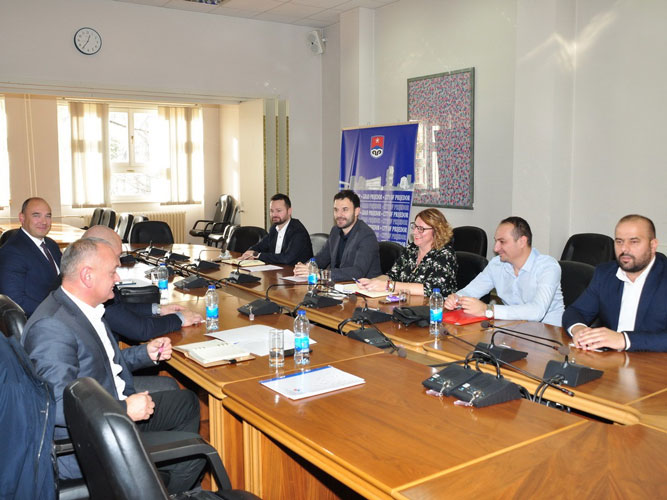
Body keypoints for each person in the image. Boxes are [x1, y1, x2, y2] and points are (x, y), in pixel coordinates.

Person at [22, 238, 204, 493]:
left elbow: (102, 361)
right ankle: (152, 492)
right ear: (87, 276)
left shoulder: (84, 308)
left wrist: (145, 354)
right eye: (112, 272)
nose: (117, 279)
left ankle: (162, 485)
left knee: (187, 403)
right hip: (91, 443)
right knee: (197, 451)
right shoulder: (52, 327)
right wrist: (124, 409)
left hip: (108, 407)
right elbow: (58, 405)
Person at [563, 215, 667, 351]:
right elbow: (576, 311)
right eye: (619, 242)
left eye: (634, 242)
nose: (624, 249)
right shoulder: (605, 273)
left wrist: (624, 340)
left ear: (652, 245)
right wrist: (580, 330)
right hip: (611, 358)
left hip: (653, 361)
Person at [83, 225, 203, 342]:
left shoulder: (90, 282)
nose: (119, 263)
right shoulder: (93, 290)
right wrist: (180, 319)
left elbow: (118, 307)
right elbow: (140, 330)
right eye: (116, 256)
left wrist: (158, 309)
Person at [444, 216, 564, 325]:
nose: (495, 248)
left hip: (550, 333)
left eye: (502, 242)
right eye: (496, 241)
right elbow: (471, 291)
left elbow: (537, 311)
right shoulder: (497, 264)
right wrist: (456, 298)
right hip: (514, 330)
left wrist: (488, 310)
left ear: (522, 241)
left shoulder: (547, 267)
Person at [358, 208, 457, 296]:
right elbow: (392, 275)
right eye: (415, 227)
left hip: (434, 308)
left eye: (421, 229)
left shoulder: (445, 255)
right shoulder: (411, 249)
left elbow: (430, 289)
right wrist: (373, 282)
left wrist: (388, 286)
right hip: (406, 305)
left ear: (437, 231)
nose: (414, 232)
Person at [294, 190, 381, 282]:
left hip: (363, 288)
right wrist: (305, 267)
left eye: (345, 209)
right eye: (336, 210)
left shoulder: (366, 235)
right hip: (338, 286)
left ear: (356, 211)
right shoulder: (335, 231)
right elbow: (321, 258)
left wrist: (320, 273)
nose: (339, 215)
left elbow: (357, 272)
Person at [0, 197, 62, 316]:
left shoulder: (51, 245)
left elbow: (64, 279)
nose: (44, 222)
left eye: (48, 216)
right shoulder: (11, 252)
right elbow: (16, 302)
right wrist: (59, 314)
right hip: (41, 318)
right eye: (36, 215)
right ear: (22, 218)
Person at [239, 193, 312, 265]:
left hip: (295, 271)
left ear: (289, 211)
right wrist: (248, 253)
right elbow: (260, 246)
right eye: (271, 211)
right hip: (277, 269)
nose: (274, 214)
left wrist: (257, 255)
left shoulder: (298, 231)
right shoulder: (274, 228)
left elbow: (286, 258)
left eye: (278, 211)